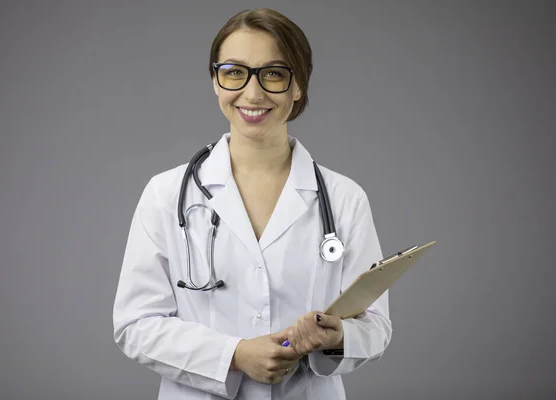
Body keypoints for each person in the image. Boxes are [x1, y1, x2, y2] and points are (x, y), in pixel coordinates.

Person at [112, 8, 392, 400]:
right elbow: (135, 325)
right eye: (234, 72)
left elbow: (376, 327)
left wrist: (337, 336)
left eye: (274, 74)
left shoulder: (344, 199)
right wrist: (235, 355)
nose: (253, 93)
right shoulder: (166, 194)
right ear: (215, 80)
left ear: (299, 87)